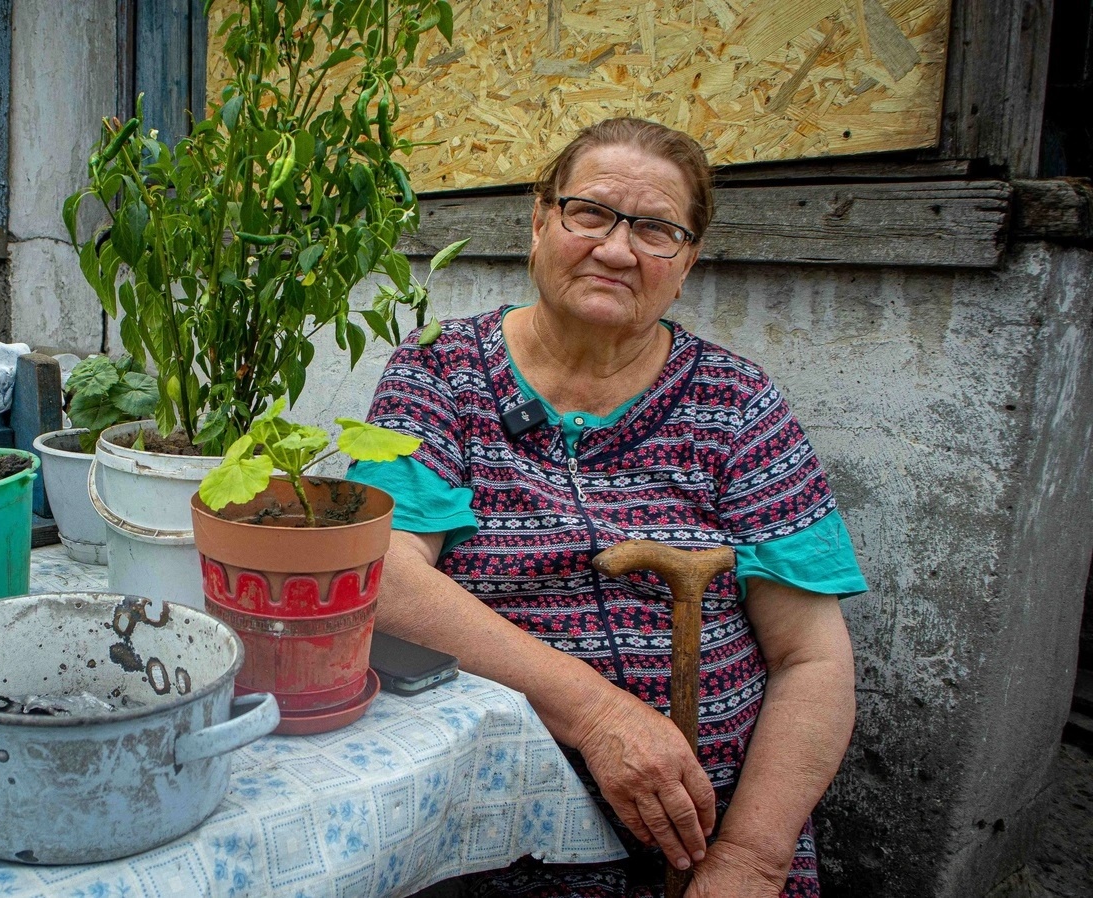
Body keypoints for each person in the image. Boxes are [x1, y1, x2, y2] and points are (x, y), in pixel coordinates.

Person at [349, 117, 865, 898]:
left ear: (686, 260)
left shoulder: (738, 404)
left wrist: (751, 861)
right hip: (494, 833)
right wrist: (599, 717)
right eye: (589, 212)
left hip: (710, 841)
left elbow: (813, 658)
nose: (617, 249)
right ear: (539, 219)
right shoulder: (439, 371)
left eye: (657, 229)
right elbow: (383, 572)